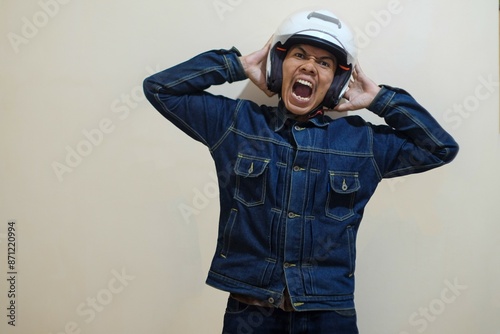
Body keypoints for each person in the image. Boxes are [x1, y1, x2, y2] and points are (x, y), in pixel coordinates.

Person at [143, 9, 458, 334]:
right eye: (299, 55)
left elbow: (439, 147)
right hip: (250, 313)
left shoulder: (362, 142)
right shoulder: (236, 125)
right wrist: (237, 65)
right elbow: (160, 89)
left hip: (329, 315)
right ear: (280, 66)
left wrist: (379, 99)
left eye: (324, 63)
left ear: (335, 80)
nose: (309, 66)